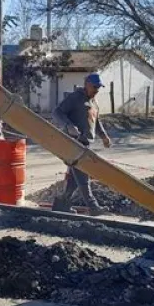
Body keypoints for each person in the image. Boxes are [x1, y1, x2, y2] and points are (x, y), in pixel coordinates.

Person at [51, 73, 112, 215]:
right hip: (74, 144)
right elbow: (57, 112)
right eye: (94, 87)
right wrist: (68, 125)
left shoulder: (93, 102)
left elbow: (96, 122)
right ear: (87, 84)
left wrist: (104, 136)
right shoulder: (75, 98)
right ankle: (94, 207)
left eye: (98, 87)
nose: (97, 90)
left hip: (86, 144)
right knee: (84, 177)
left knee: (74, 179)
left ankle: (62, 204)